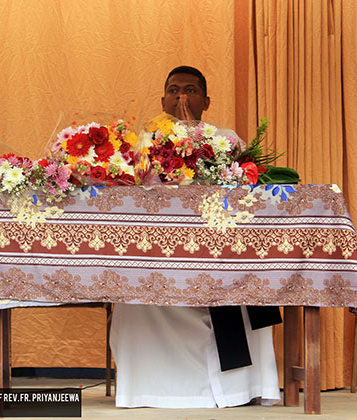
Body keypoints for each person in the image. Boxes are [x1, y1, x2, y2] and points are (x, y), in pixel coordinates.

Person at [110, 66, 282, 408]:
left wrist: (193, 139)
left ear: (206, 100)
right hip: (156, 254)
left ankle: (237, 389)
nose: (181, 97)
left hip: (218, 252)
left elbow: (242, 193)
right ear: (163, 100)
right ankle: (147, 388)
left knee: (246, 281)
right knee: (127, 288)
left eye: (190, 90)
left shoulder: (226, 140)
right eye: (174, 90)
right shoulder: (144, 142)